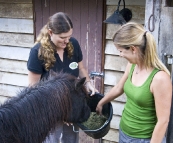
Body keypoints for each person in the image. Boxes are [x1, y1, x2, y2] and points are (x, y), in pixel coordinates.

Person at [27, 12, 97, 143]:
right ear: (50, 32)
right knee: (51, 140)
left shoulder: (73, 44)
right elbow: (33, 90)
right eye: (62, 37)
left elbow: (81, 68)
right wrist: (60, 112)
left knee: (71, 139)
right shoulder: (37, 52)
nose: (67, 40)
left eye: (69, 36)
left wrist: (88, 82)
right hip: (50, 111)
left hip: (72, 105)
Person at [96, 22, 172, 143]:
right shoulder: (132, 65)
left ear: (133, 49)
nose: (120, 55)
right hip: (124, 133)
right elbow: (119, 88)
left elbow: (163, 121)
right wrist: (101, 102)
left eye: (121, 51)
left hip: (144, 139)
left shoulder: (159, 78)